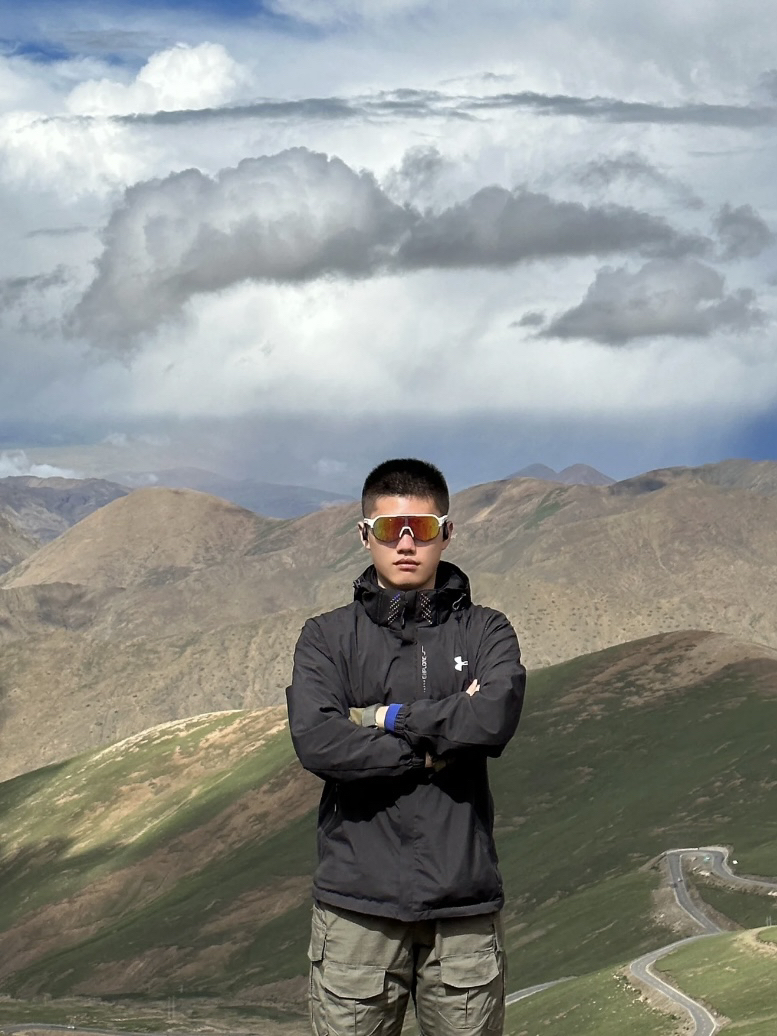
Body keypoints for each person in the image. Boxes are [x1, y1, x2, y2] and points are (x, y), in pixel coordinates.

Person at [286, 458, 526, 1036]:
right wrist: (432, 749)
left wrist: (379, 719)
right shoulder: (326, 638)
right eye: (391, 529)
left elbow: (492, 717)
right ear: (364, 534)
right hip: (356, 910)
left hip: (462, 909)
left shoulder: (486, 631)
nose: (407, 544)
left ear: (448, 532)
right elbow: (319, 741)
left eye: (423, 527)